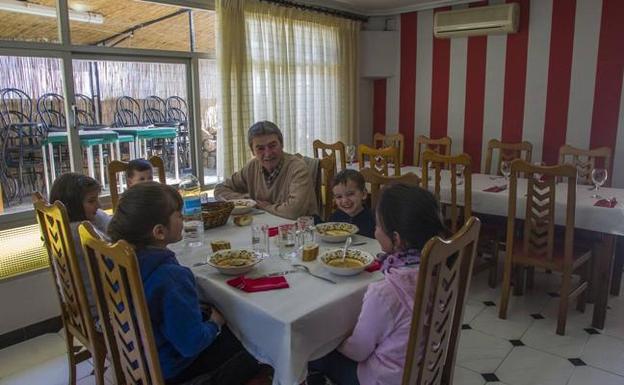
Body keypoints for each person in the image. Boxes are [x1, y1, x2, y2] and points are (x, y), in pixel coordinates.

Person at [107, 182, 262, 384]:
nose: (184, 218)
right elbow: (191, 344)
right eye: (178, 215)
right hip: (176, 370)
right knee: (258, 345)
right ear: (159, 232)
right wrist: (214, 324)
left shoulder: (120, 259)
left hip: (141, 361)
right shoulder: (170, 277)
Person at [308, 184, 449, 385]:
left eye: (377, 226)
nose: (375, 232)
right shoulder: (438, 268)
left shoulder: (385, 291)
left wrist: (335, 339)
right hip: (424, 368)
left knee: (315, 353)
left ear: (396, 239)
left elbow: (357, 352)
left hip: (383, 379)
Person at [214, 121, 317, 220]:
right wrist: (247, 201)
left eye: (272, 146)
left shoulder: (297, 168)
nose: (267, 153)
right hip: (266, 225)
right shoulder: (252, 166)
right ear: (253, 151)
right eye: (260, 148)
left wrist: (264, 207)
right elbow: (220, 189)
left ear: (281, 145)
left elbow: (294, 212)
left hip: (301, 230)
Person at [48, 173, 111, 318]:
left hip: (79, 311)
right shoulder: (80, 232)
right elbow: (115, 257)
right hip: (100, 313)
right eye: (91, 201)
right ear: (72, 206)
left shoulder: (61, 227)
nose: (99, 205)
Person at [328, 169, 375, 238]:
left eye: (350, 194)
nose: (345, 201)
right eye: (339, 196)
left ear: (364, 194)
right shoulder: (334, 218)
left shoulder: (374, 220)